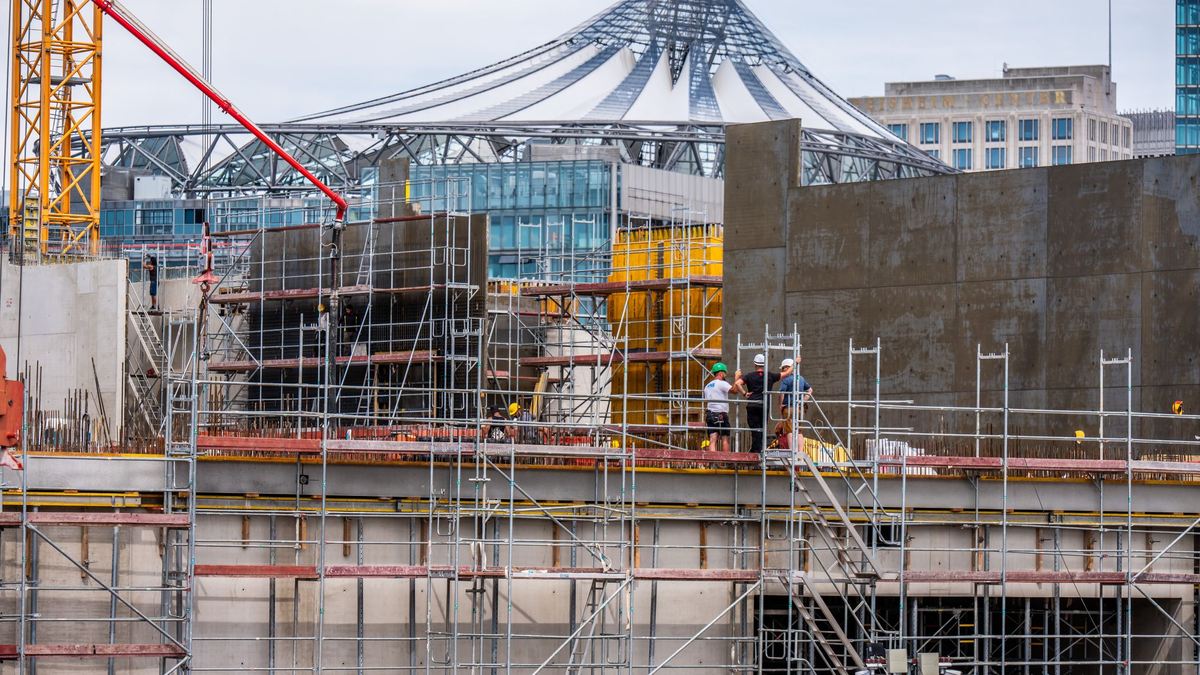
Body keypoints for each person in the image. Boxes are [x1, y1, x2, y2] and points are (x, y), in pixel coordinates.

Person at [733, 354, 785, 453]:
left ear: (755, 364)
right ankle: (759, 449)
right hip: (764, 407)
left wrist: (745, 393)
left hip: (752, 405)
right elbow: (785, 374)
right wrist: (795, 364)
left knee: (755, 429)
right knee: (762, 428)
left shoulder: (749, 376)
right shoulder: (769, 375)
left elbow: (737, 383)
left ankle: (756, 449)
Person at [775, 357, 813, 451]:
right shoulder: (801, 378)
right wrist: (803, 401)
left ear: (787, 367)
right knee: (799, 431)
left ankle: (792, 451)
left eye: (784, 368)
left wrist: (781, 405)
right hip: (800, 409)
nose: (783, 370)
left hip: (789, 408)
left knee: (789, 431)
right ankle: (799, 453)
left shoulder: (786, 379)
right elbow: (810, 390)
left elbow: (781, 393)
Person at [703, 363, 734, 452]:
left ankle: (713, 462)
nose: (726, 375)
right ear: (721, 373)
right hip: (720, 413)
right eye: (725, 373)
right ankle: (726, 462)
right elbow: (734, 390)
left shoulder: (707, 386)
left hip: (710, 414)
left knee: (713, 439)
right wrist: (737, 378)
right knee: (725, 440)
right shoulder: (722, 383)